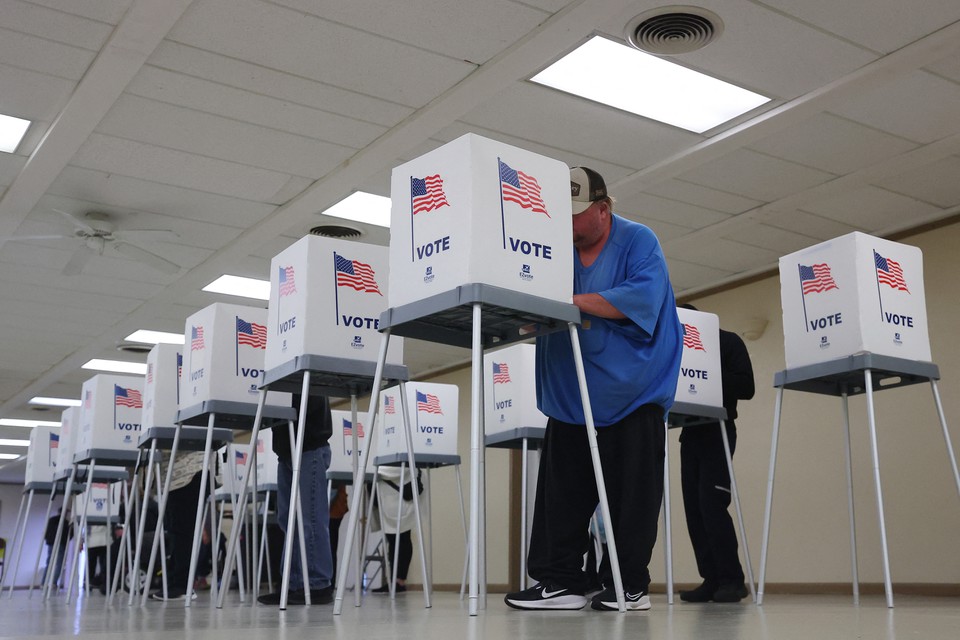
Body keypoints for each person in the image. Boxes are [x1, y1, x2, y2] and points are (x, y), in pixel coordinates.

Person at [505, 166, 683, 612]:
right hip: (570, 394)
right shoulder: (553, 247)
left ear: (602, 210)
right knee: (560, 495)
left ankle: (628, 586)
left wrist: (568, 301)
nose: (566, 223)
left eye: (575, 213)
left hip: (633, 392)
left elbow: (639, 300)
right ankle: (562, 582)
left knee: (630, 498)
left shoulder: (638, 241)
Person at [678, 304, 755, 603]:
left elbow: (746, 387)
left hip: (719, 429)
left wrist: (706, 366)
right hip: (689, 432)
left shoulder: (728, 341)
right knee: (694, 509)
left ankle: (732, 580)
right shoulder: (672, 346)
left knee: (712, 504)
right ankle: (711, 579)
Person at [257, 394, 334, 605]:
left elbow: (311, 400)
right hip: (287, 449)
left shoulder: (306, 366)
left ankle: (317, 584)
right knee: (287, 520)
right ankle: (292, 584)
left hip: (309, 445)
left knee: (310, 518)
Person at [150, 450, 205, 601]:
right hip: (178, 469)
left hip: (189, 468)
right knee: (176, 528)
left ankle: (182, 585)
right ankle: (174, 582)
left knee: (182, 527)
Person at [370, 466, 421, 594]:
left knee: (401, 539)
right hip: (390, 497)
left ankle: (399, 580)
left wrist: (374, 469)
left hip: (398, 498)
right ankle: (394, 580)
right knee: (393, 540)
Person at [43, 507, 72, 589]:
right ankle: (53, 582)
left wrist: (48, 540)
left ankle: (43, 583)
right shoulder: (66, 522)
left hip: (51, 543)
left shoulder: (51, 520)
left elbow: (47, 531)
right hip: (61, 544)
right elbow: (70, 534)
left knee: (49, 563)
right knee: (59, 564)